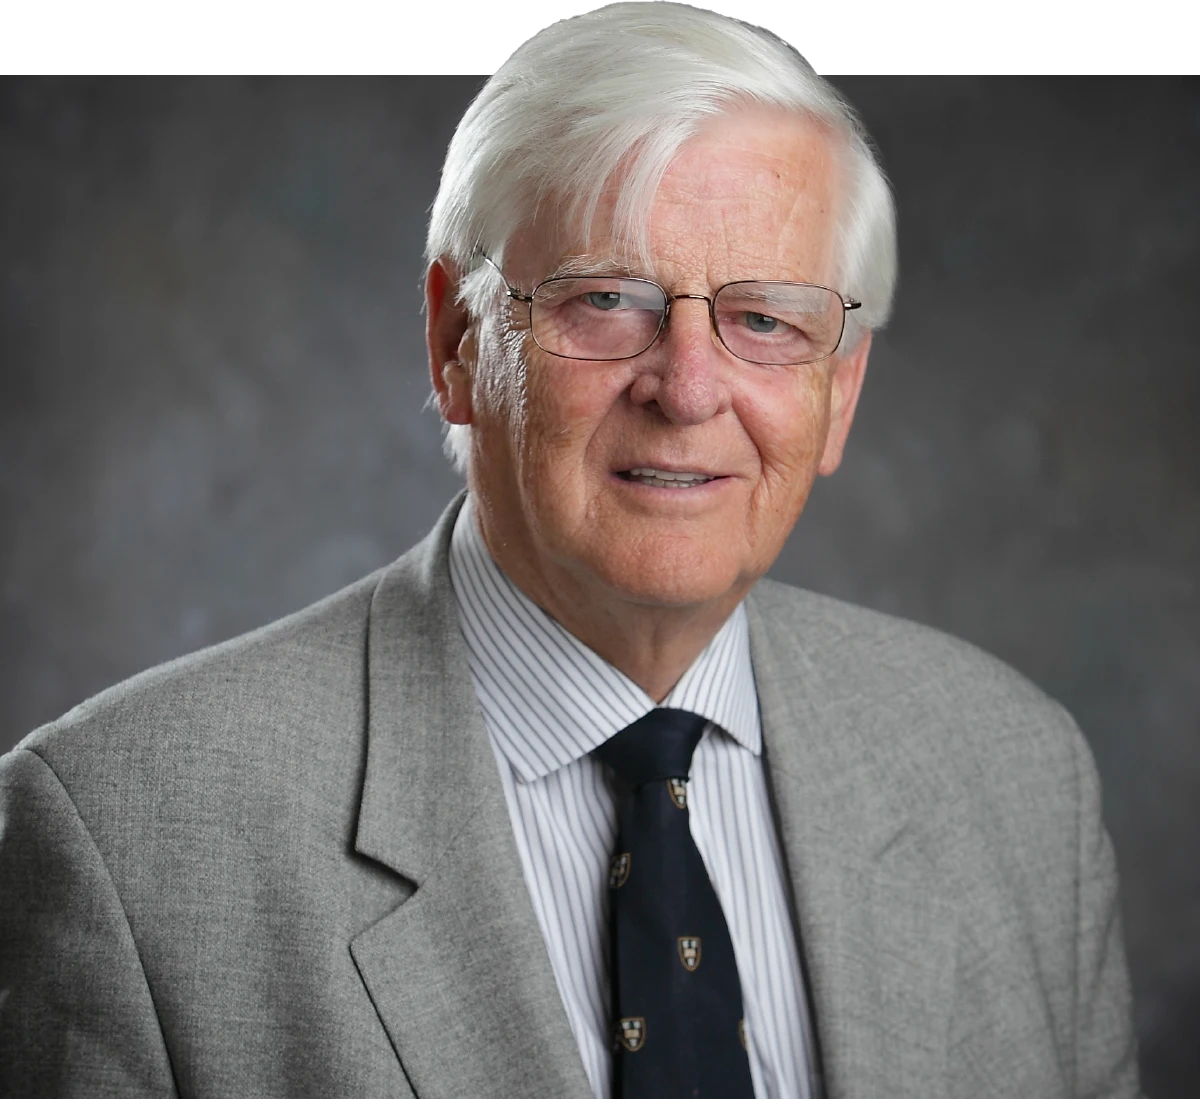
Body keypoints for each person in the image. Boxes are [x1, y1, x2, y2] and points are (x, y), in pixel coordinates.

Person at [0, 7, 1143, 1099]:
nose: (688, 387)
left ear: (838, 393)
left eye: (764, 320)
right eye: (608, 300)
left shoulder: (1014, 775)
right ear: (457, 345)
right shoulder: (125, 835)